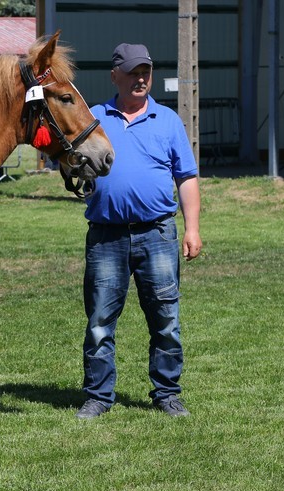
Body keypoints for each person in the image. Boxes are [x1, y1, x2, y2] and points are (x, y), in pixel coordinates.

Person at [76, 43, 202, 420]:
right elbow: (71, 163)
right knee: (100, 322)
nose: (141, 79)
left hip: (157, 234)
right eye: (133, 72)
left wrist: (192, 229)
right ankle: (98, 396)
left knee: (166, 319)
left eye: (145, 71)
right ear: (114, 76)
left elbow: (186, 177)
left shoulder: (168, 120)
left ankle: (167, 394)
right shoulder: (94, 118)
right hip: (106, 237)